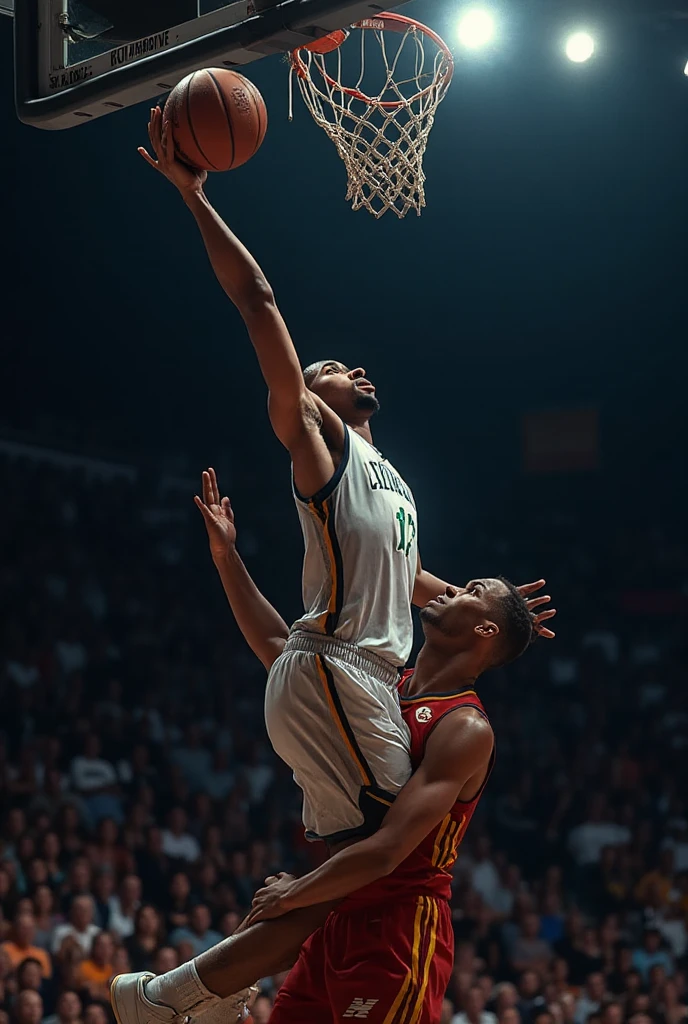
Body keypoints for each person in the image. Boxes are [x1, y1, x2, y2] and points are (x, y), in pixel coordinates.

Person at [139, 111, 554, 853]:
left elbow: (411, 574)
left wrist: (499, 615)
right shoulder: (319, 445)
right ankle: (194, 975)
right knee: (397, 851)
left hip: (348, 674)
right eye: (330, 368)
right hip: (340, 670)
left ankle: (231, 967)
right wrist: (194, 195)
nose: (349, 369)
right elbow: (257, 300)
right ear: (309, 396)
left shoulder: (393, 479)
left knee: (369, 856)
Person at [111, 492, 554, 1024]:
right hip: (338, 910)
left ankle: (168, 1000)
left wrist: (295, 894)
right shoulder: (387, 687)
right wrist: (228, 557)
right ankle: (172, 999)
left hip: (398, 923)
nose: (452, 588)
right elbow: (284, 649)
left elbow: (388, 849)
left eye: (470, 590)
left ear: (485, 631)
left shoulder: (464, 726)